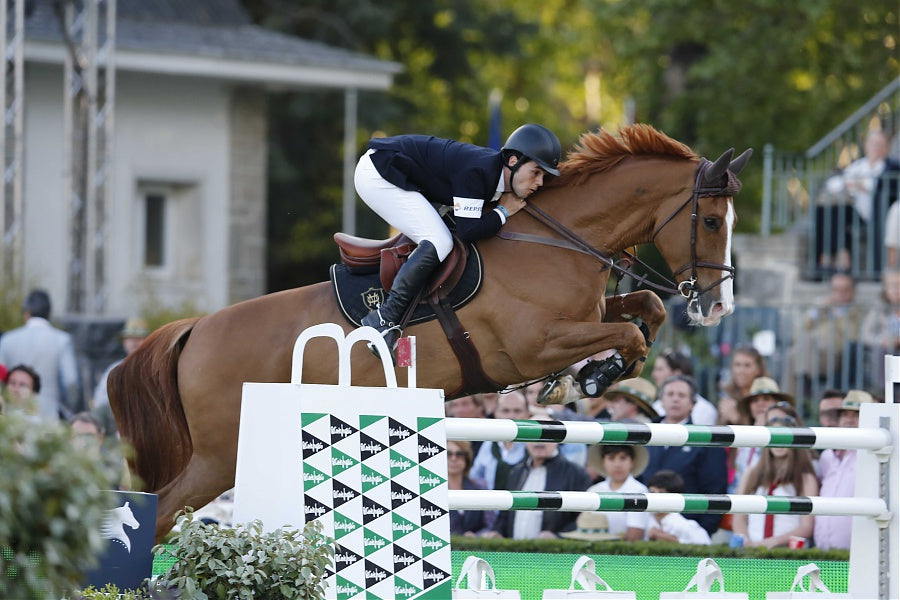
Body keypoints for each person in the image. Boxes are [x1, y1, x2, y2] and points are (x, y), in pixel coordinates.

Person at [354, 124, 562, 358]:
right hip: (379, 174)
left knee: (440, 241)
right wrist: (503, 212)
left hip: (399, 174)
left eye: (544, 176)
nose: (540, 182)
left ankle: (403, 330)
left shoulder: (492, 174)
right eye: (536, 172)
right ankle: (383, 318)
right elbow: (468, 230)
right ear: (513, 161)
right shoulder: (479, 170)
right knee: (440, 241)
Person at [641, 375, 727, 536]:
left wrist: (702, 532)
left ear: (692, 403)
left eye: (681, 395)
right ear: (661, 400)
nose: (675, 399)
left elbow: (716, 489)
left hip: (686, 530)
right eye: (670, 394)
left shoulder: (705, 439)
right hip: (643, 526)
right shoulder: (644, 433)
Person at [731, 403, 818, 548]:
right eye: (774, 437)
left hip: (788, 555)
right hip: (752, 553)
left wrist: (772, 542)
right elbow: (738, 518)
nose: (778, 443)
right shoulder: (751, 473)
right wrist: (747, 541)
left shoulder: (805, 478)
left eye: (784, 437)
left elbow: (806, 526)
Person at [484, 434, 591, 539]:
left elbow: (584, 518)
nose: (539, 440)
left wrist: (558, 537)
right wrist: (497, 532)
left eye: (545, 434)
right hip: (515, 552)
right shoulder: (517, 473)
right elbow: (505, 514)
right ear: (525, 440)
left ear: (558, 439)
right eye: (534, 434)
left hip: (554, 554)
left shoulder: (575, 474)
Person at [0, 290, 81, 421]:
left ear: (26, 313)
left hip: (13, 419)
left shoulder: (8, 340)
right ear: (49, 314)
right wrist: (68, 409)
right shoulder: (62, 340)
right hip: (48, 417)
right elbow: (71, 381)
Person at [815, 390, 878, 550]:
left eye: (857, 415)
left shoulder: (874, 454)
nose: (849, 420)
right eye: (845, 415)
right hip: (822, 551)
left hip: (861, 552)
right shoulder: (827, 456)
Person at [796, 271, 863, 394]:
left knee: (795, 357)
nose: (840, 294)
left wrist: (839, 315)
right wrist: (820, 309)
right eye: (836, 289)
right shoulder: (821, 306)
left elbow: (853, 336)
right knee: (795, 351)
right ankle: (798, 394)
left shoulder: (857, 311)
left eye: (845, 290)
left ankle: (803, 387)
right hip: (813, 351)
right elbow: (803, 327)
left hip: (837, 353)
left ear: (853, 291)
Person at [732, 377, 796, 494]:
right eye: (755, 401)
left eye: (766, 399)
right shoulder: (742, 437)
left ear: (777, 404)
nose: (760, 404)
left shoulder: (788, 433)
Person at [92, 316, 150, 437]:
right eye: (130, 338)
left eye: (138, 338)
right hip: (116, 428)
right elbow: (100, 402)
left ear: (147, 341)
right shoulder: (114, 370)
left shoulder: (154, 369)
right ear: (124, 342)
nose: (134, 342)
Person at [582, 444, 650, 541]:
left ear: (632, 461)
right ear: (603, 461)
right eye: (611, 458)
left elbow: (635, 534)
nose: (617, 464)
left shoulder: (639, 491)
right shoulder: (594, 490)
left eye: (623, 458)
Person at [469, 390, 528, 490]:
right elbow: (474, 477)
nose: (511, 416)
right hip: (492, 503)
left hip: (526, 504)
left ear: (527, 414)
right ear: (495, 413)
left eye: (517, 411)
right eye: (505, 411)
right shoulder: (488, 444)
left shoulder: (536, 445)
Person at [642, 470, 712, 545]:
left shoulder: (683, 525)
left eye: (661, 493)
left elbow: (705, 546)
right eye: (652, 493)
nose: (655, 498)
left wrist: (671, 540)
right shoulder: (646, 519)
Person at [649, 350, 717, 425]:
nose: (654, 374)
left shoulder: (704, 410)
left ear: (677, 373)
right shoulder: (655, 407)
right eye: (670, 394)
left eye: (660, 369)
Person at [861, 270, 900, 390]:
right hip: (887, 350)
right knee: (882, 351)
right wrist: (881, 340)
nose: (896, 290)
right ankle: (882, 391)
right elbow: (865, 335)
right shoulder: (878, 309)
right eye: (892, 286)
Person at [447, 440, 495, 536]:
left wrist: (476, 536)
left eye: (459, 454)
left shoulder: (480, 486)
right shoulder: (432, 490)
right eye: (448, 454)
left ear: (467, 458)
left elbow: (491, 524)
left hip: (474, 549)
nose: (453, 458)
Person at [718, 345, 769, 427]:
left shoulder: (766, 397)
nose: (741, 371)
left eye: (747, 365)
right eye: (737, 365)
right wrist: (723, 419)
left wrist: (737, 419)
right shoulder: (729, 396)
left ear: (758, 369)